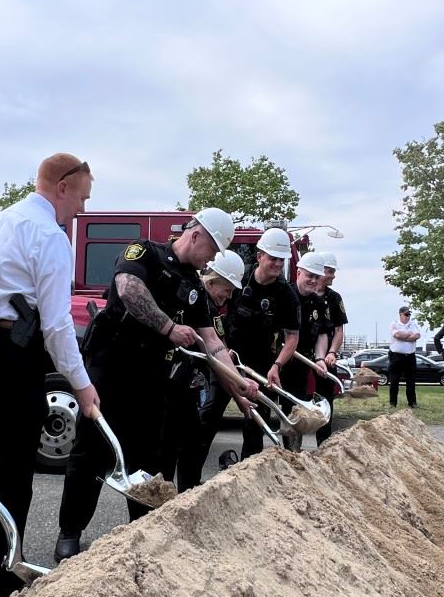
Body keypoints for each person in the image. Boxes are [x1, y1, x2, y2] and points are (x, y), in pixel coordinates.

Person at [54, 208, 257, 561]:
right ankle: (69, 533)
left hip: (152, 379)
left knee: (147, 460)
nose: (212, 258)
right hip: (110, 371)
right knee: (91, 452)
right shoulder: (144, 252)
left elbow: (214, 343)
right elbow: (128, 289)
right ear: (195, 236)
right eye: (212, 249)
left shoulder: (195, 284)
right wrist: (168, 327)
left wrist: (239, 384)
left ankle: (141, 534)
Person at [0, 153, 99, 597]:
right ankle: (4, 578)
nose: (83, 210)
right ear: (62, 187)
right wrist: (81, 382)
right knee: (14, 469)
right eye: (82, 198)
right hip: (17, 353)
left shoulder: (2, 220)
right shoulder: (49, 236)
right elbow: (56, 324)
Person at [159, 250, 244, 491]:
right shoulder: (195, 298)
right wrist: (239, 388)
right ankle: (168, 490)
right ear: (213, 280)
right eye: (226, 290)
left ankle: (186, 488)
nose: (227, 297)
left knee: (191, 439)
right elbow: (214, 346)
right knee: (173, 442)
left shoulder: (211, 308)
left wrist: (239, 386)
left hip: (189, 379)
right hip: (171, 376)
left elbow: (219, 347)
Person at [222, 227, 301, 460]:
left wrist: (277, 365)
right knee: (208, 417)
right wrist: (222, 349)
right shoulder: (239, 277)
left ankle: (247, 472)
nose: (278, 264)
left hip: (262, 366)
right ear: (259, 257)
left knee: (254, 424)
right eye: (273, 258)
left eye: (281, 260)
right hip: (227, 357)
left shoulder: (286, 294)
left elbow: (292, 338)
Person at [280, 251, 330, 450]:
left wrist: (320, 358)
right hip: (278, 362)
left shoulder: (319, 303)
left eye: (316, 277)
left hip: (301, 365)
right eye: (309, 275)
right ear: (299, 272)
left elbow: (322, 334)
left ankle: (293, 452)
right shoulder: (284, 295)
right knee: (269, 409)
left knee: (296, 411)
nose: (313, 281)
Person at [314, 252, 346, 445]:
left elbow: (338, 330)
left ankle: (323, 445)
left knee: (325, 402)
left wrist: (332, 352)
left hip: (326, 360)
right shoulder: (302, 293)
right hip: (302, 357)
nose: (333, 275)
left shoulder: (334, 298)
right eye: (330, 271)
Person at [388, 307, 421, 408]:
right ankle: (393, 403)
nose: (408, 317)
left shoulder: (413, 324)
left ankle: (412, 402)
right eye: (406, 314)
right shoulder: (394, 324)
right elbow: (397, 335)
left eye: (409, 314)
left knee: (411, 381)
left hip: (410, 356)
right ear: (400, 314)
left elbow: (417, 336)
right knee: (394, 381)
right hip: (396, 356)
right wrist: (409, 334)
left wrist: (404, 337)